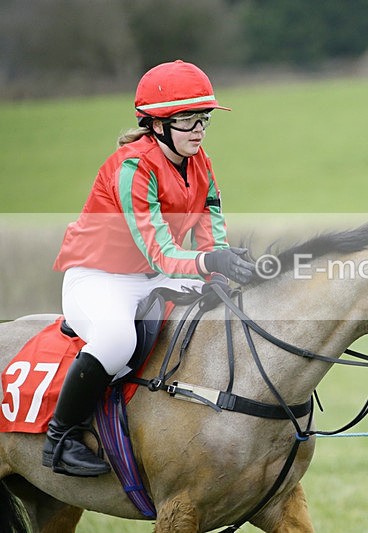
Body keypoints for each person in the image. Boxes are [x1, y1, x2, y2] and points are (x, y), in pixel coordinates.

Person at [45, 60, 255, 477]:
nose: (199, 129)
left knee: (223, 315)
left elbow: (211, 231)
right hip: (100, 277)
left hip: (155, 277)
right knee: (116, 340)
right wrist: (210, 262)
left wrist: (218, 274)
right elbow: (160, 251)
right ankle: (60, 437)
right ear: (157, 124)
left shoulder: (200, 162)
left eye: (204, 118)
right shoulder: (132, 168)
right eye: (188, 119)